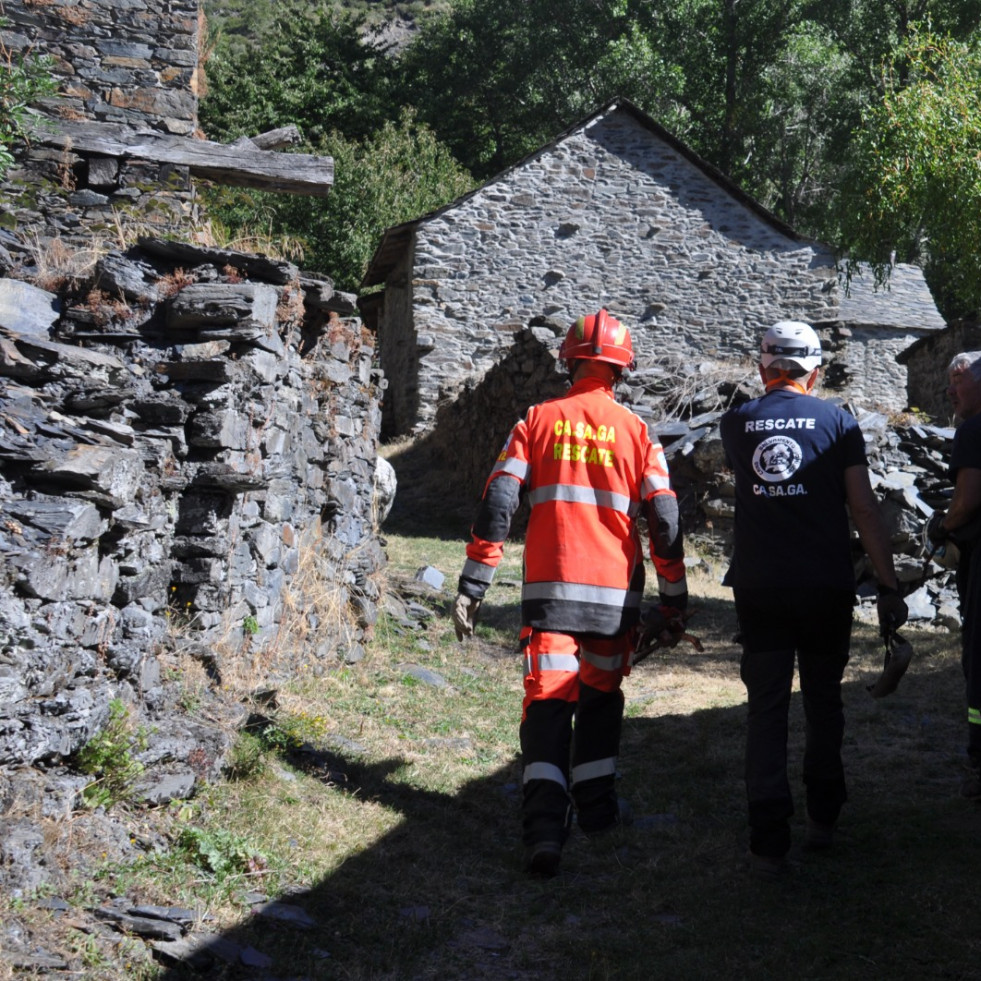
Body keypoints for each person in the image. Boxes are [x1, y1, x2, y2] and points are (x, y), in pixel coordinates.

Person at [452, 309, 688, 877]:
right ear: (620, 370)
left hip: (551, 598)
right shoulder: (638, 433)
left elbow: (499, 503)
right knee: (601, 699)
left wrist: (474, 582)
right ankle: (599, 814)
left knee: (549, 704)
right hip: (613, 606)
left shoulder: (536, 419)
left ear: (568, 361)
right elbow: (664, 515)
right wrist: (674, 599)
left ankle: (543, 832)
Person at [719, 321, 908, 877]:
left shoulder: (738, 423)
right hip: (824, 584)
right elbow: (865, 509)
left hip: (760, 586)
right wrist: (888, 584)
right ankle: (823, 819)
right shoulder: (838, 421)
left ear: (763, 368)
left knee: (767, 707)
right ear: (816, 370)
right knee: (824, 699)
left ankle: (768, 842)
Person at [925, 352, 981, 800]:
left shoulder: (974, 430)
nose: (949, 391)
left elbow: (965, 502)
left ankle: (979, 764)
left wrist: (941, 527)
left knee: (979, 660)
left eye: (958, 381)